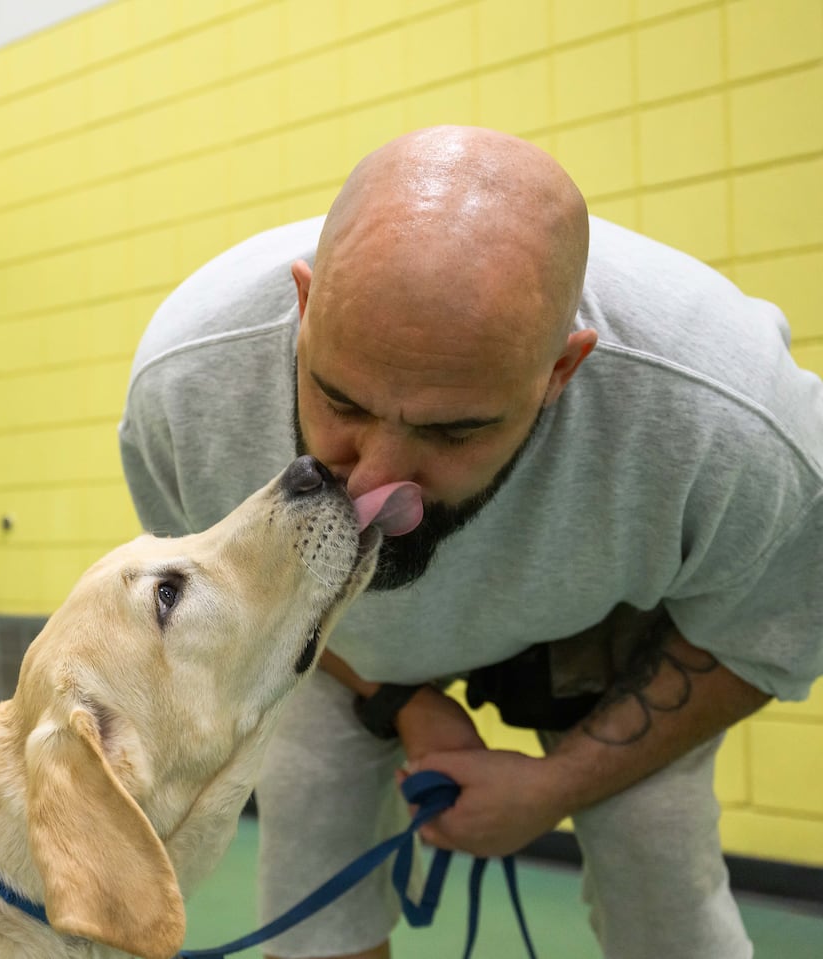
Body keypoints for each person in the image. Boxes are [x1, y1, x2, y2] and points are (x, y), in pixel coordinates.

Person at [118, 125, 823, 959]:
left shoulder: (737, 427)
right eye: (341, 403)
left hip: (605, 625)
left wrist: (555, 785)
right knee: (308, 839)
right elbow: (248, 602)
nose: (375, 487)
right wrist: (400, 702)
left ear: (562, 371)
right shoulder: (185, 386)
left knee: (656, 857)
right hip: (349, 633)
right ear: (305, 307)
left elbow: (763, 633)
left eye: (453, 432)